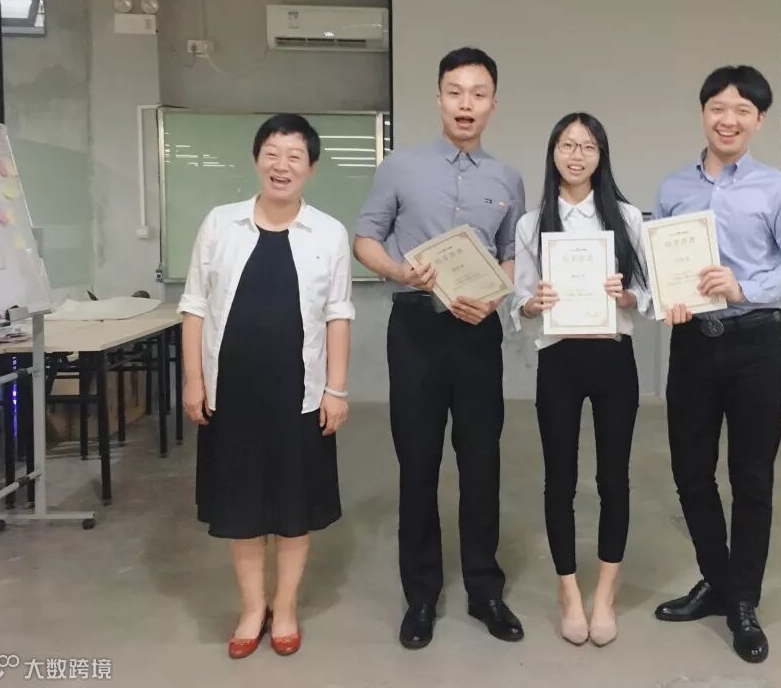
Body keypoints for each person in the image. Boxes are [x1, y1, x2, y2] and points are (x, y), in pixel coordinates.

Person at [354, 47, 527, 649]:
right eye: (455, 92)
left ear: (493, 104)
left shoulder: (507, 178)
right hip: (416, 330)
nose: (465, 104)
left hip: (478, 330)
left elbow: (513, 252)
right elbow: (365, 238)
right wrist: (399, 271)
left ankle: (485, 590)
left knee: (482, 461)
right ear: (439, 99)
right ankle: (421, 594)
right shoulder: (399, 167)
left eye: (478, 94)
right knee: (418, 460)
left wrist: (497, 296)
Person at [651, 66, 781, 664]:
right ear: (703, 113)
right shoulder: (673, 187)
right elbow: (657, 261)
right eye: (718, 107)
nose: (728, 119)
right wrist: (663, 296)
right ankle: (717, 581)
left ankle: (743, 601)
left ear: (759, 120)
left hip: (755, 345)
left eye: (742, 110)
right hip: (693, 344)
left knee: (752, 478)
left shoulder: (779, 189)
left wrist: (744, 287)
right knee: (691, 473)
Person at [178, 114, 355, 659]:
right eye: (272, 154)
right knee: (242, 507)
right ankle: (252, 607)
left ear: (311, 168)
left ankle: (287, 604)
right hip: (232, 393)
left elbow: (338, 314)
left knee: (293, 507)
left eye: (294, 156)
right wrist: (193, 380)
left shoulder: (329, 232)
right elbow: (194, 305)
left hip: (299, 393)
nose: (282, 166)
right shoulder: (220, 223)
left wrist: (336, 390)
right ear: (257, 159)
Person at [512, 113, 649, 647]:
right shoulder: (532, 224)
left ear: (601, 155)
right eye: (567, 145)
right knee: (560, 479)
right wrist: (533, 303)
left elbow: (648, 295)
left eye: (588, 146)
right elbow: (520, 300)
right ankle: (569, 591)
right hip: (559, 361)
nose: (577, 155)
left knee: (614, 479)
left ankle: (605, 595)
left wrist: (625, 295)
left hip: (613, 357)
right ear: (553, 153)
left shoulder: (627, 218)